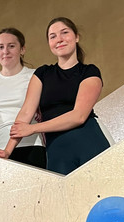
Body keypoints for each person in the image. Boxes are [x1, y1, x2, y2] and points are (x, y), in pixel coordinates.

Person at [7, 17, 110, 175]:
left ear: (76, 37)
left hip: (89, 141)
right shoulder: (42, 73)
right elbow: (26, 113)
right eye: (52, 36)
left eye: (64, 33)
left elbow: (79, 116)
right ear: (49, 43)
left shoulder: (89, 71)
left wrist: (33, 128)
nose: (59, 39)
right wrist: (7, 151)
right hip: (57, 149)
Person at [0, 28, 46, 169]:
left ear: (22, 49)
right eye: (1, 47)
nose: (6, 51)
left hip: (31, 145)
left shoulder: (35, 76)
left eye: (11, 46)